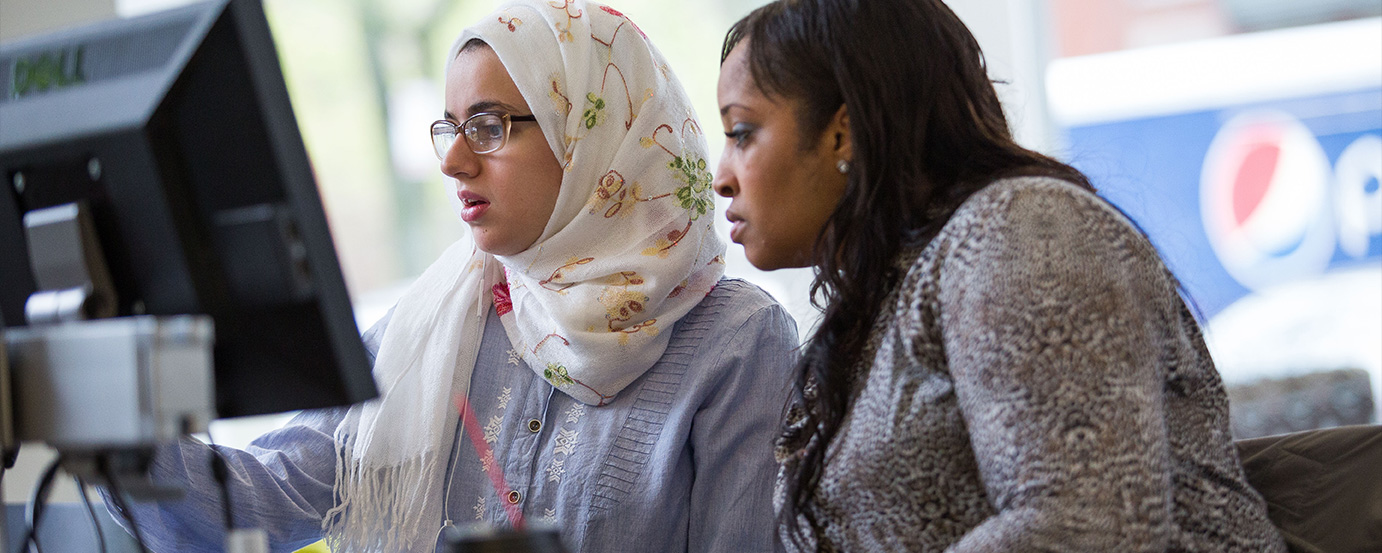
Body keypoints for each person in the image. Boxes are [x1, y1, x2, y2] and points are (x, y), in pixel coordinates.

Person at [102, 1, 797, 552]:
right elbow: (255, 503)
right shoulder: (430, 329)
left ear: (590, 138)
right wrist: (97, 397)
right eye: (451, 127)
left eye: (490, 126)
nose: (454, 161)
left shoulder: (736, 342)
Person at [710, 1, 1289, 552]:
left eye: (741, 133)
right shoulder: (878, 299)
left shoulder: (1023, 227)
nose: (721, 178)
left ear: (845, 132)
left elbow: (1083, 525)